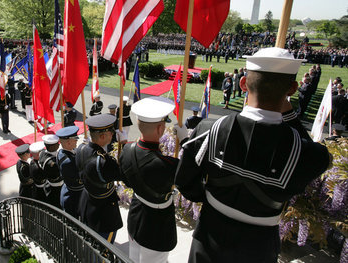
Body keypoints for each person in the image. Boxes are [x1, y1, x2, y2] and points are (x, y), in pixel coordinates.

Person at [175, 47, 332, 263]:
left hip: (209, 236)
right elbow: (317, 155)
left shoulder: (208, 130)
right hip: (259, 247)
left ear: (243, 84)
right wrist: (289, 112)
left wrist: (213, 201)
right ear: (293, 89)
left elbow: (184, 182)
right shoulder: (308, 153)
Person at [120, 96, 186, 262]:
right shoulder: (168, 165)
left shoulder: (126, 150)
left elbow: (127, 181)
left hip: (136, 217)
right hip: (156, 227)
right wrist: (186, 141)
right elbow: (192, 180)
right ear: (160, 129)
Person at [76, 114, 123, 243]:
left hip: (87, 202)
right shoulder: (104, 162)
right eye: (111, 133)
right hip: (104, 211)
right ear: (103, 136)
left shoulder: (81, 148)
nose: (113, 134)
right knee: (103, 252)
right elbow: (123, 174)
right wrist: (123, 146)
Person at [56, 126, 83, 218]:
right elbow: (80, 179)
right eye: (75, 140)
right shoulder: (68, 162)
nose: (76, 141)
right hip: (75, 196)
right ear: (68, 142)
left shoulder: (63, 152)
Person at [39, 134, 63, 208]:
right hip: (57, 187)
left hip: (48, 184)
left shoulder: (42, 153)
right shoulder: (53, 163)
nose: (59, 144)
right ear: (52, 146)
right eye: (57, 144)